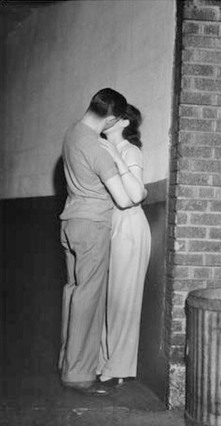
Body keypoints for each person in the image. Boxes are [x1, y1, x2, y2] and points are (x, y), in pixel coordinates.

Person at [59, 88, 143, 397]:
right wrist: (116, 159)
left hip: (69, 222)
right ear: (111, 118)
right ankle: (79, 375)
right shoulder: (97, 148)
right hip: (92, 226)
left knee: (72, 292)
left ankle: (66, 363)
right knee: (89, 301)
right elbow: (124, 199)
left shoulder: (71, 134)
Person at [96, 104, 151, 387]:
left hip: (129, 226)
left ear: (125, 121)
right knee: (110, 298)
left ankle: (117, 367)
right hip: (111, 225)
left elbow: (133, 195)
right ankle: (105, 360)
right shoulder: (101, 147)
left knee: (123, 300)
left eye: (113, 116)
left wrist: (115, 155)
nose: (105, 120)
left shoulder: (130, 151)